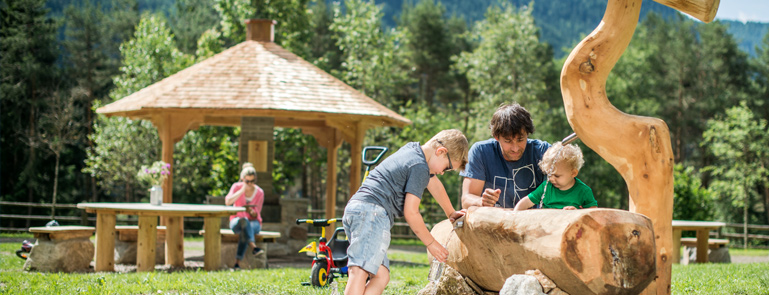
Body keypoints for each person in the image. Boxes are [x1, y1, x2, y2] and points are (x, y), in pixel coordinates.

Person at [343, 129, 469, 295]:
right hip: (372, 214)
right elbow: (411, 212)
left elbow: (434, 184)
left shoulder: (413, 151)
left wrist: (450, 212)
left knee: (381, 275)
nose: (441, 172)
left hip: (359, 210)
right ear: (441, 152)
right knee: (359, 270)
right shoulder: (419, 166)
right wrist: (431, 244)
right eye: (446, 168)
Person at [460, 103, 551, 209]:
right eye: (508, 141)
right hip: (494, 222)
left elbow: (567, 183)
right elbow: (466, 200)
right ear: (496, 137)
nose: (515, 148)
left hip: (534, 222)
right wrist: (481, 201)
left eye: (520, 140)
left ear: (528, 133)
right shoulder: (481, 152)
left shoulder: (543, 151)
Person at [513, 142, 597, 210]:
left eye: (557, 176)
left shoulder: (583, 191)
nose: (551, 179)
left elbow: (593, 214)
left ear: (573, 173)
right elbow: (526, 202)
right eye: (549, 174)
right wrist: (515, 215)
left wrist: (577, 213)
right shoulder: (546, 187)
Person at [225, 162, 264, 269]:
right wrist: (242, 190)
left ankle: (237, 263)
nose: (250, 184)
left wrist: (252, 213)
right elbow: (228, 202)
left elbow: (257, 213)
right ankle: (254, 247)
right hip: (236, 221)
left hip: (254, 222)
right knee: (243, 221)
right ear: (242, 179)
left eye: (252, 181)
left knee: (245, 229)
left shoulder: (260, 192)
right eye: (247, 181)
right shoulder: (236, 187)